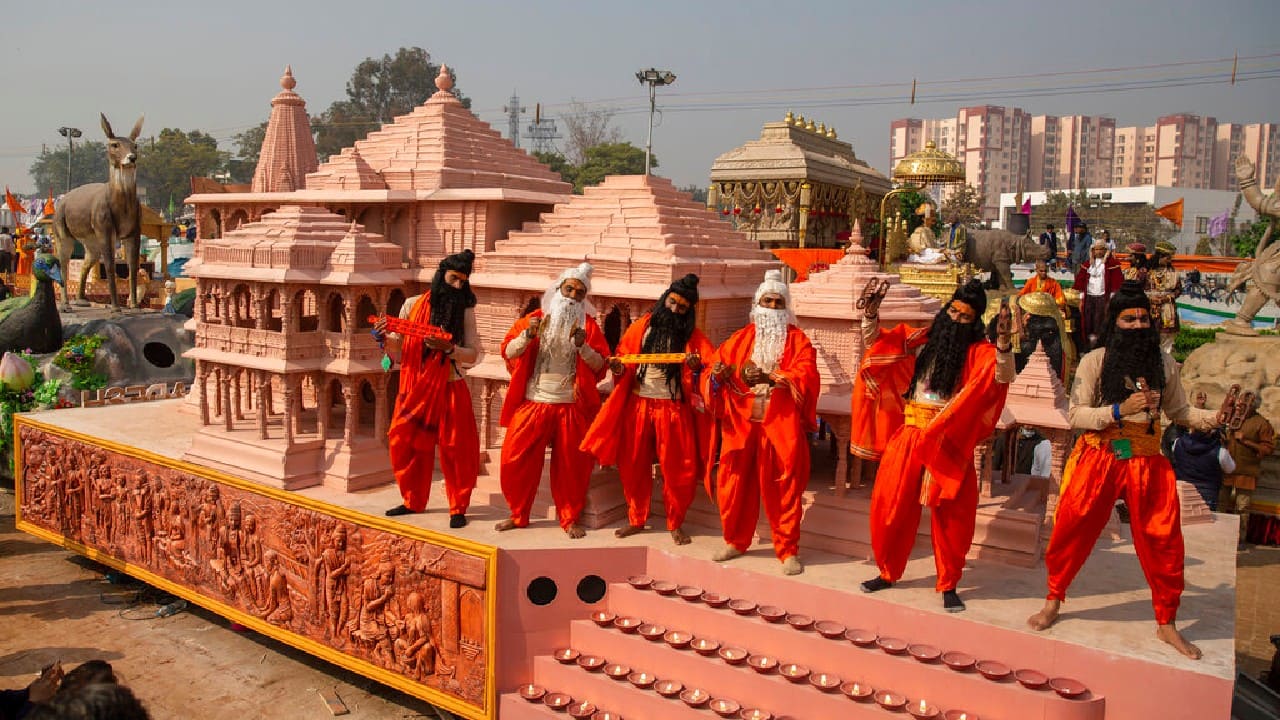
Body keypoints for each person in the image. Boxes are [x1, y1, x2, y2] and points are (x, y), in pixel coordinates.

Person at [1027, 280, 1217, 659]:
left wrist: (1216, 418)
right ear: (1116, 322)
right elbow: (1076, 414)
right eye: (1129, 319)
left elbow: (1180, 413)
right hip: (1100, 455)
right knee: (1071, 527)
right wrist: (1119, 410)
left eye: (1143, 318)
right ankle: (1053, 598)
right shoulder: (1095, 361)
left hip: (1147, 459)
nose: (1138, 325)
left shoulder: (1163, 364)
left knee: (1164, 541)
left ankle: (1167, 623)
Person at [857, 278, 1014, 612]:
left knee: (952, 518)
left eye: (964, 317)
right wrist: (871, 314)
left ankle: (948, 583)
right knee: (890, 506)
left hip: (948, 440)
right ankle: (887, 572)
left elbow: (1000, 377)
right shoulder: (922, 340)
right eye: (953, 311)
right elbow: (877, 345)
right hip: (911, 433)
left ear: (974, 323)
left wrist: (1003, 346)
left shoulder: (977, 353)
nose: (956, 320)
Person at [581, 274, 714, 545]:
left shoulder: (693, 337)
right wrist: (618, 367)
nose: (674, 310)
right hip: (639, 404)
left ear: (688, 312)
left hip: (673, 408)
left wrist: (696, 366)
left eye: (682, 307)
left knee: (679, 469)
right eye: (672, 303)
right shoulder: (642, 326)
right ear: (665, 299)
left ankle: (675, 522)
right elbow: (623, 358)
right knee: (632, 464)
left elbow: (709, 367)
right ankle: (636, 518)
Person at [706, 269, 819, 575]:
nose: (771, 307)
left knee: (784, 489)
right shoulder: (740, 339)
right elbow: (714, 371)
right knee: (733, 486)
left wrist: (771, 377)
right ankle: (735, 541)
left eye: (777, 302)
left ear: (786, 307)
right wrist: (718, 375)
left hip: (778, 425)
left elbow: (807, 375)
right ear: (757, 305)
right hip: (741, 426)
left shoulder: (798, 341)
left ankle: (787, 550)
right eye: (766, 301)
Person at [496, 263, 609, 538]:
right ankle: (518, 514)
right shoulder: (534, 320)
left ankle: (569, 518)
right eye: (568, 289)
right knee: (514, 459)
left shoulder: (589, 327)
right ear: (558, 290)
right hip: (534, 401)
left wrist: (582, 347)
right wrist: (527, 335)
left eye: (579, 293)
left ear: (584, 299)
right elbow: (509, 352)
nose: (572, 296)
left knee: (572, 467)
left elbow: (600, 366)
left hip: (570, 404)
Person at [376, 250, 481, 528]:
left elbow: (473, 354)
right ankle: (412, 500)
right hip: (415, 386)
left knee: (457, 450)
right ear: (441, 275)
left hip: (450, 386)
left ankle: (458, 507)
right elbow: (398, 344)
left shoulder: (465, 310)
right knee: (404, 444)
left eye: (463, 281)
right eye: (453, 279)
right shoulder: (412, 305)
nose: (457, 286)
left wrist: (450, 348)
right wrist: (384, 337)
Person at [1222, 393, 1277, 548]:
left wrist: (1246, 442)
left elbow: (1268, 448)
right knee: (1221, 504)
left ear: (1254, 405)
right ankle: (1220, 534)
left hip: (1246, 472)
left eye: (1247, 402)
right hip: (1227, 470)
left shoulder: (1261, 423)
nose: (1242, 404)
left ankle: (1238, 538)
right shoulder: (1232, 418)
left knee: (1242, 508)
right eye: (1242, 401)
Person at [1074, 240, 1123, 351]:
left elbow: (1116, 284)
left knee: (1101, 321)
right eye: (1096, 249)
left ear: (1105, 250)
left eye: (1101, 249)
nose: (1098, 251)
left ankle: (1101, 345)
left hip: (1103, 298)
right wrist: (1081, 299)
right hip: (1089, 297)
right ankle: (1088, 346)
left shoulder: (1112, 264)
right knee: (1088, 321)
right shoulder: (1087, 265)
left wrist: (1111, 299)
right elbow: (1081, 283)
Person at [1172, 425, 1234, 512]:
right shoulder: (1220, 452)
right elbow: (1230, 468)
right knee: (1204, 524)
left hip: (1181, 492)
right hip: (1207, 496)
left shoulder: (1177, 443)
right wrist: (1226, 446)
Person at [1147, 242, 1181, 354]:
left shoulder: (1173, 273)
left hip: (1168, 308)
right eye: (1167, 258)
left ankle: (1166, 361)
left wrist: (1167, 298)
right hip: (1152, 308)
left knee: (1167, 337)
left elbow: (1178, 290)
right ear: (1160, 257)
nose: (1169, 261)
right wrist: (1151, 298)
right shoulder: (1148, 272)